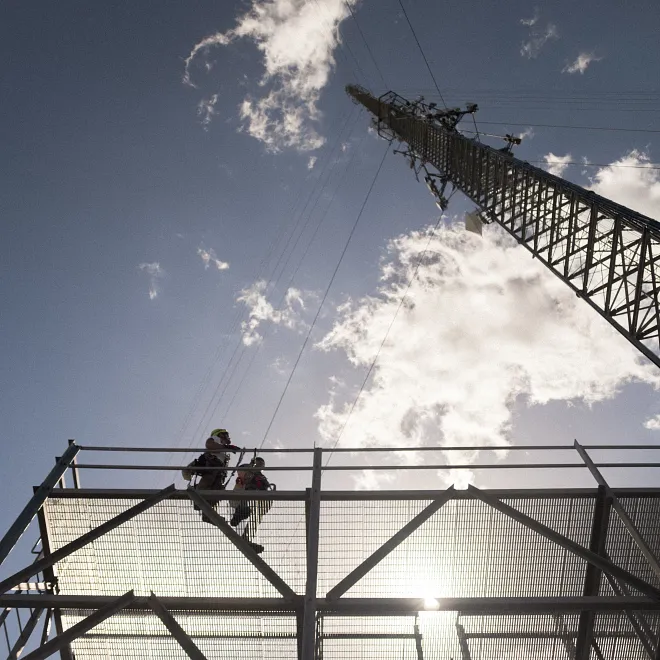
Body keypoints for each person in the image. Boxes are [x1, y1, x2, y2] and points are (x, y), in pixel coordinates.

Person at [182, 429, 239, 521]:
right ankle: (199, 502)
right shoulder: (215, 438)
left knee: (217, 491)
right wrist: (227, 447)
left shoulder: (222, 448)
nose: (228, 437)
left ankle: (208, 514)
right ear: (221, 434)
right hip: (212, 466)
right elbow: (209, 445)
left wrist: (227, 448)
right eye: (226, 435)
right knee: (206, 484)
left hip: (219, 470)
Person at [230, 456, 273, 554]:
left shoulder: (261, 477)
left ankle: (246, 538)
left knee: (256, 517)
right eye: (258, 463)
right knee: (246, 504)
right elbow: (240, 474)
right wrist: (250, 467)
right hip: (247, 494)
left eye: (261, 465)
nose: (260, 466)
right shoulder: (247, 471)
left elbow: (266, 488)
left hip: (259, 498)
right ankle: (239, 514)